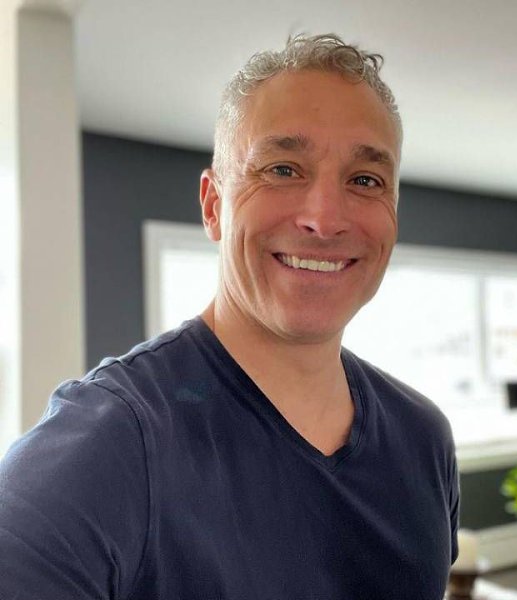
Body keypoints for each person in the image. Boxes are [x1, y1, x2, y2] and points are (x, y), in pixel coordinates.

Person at [0, 33, 459, 599]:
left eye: (365, 180)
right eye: (283, 169)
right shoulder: (113, 442)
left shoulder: (423, 438)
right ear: (214, 205)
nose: (325, 219)